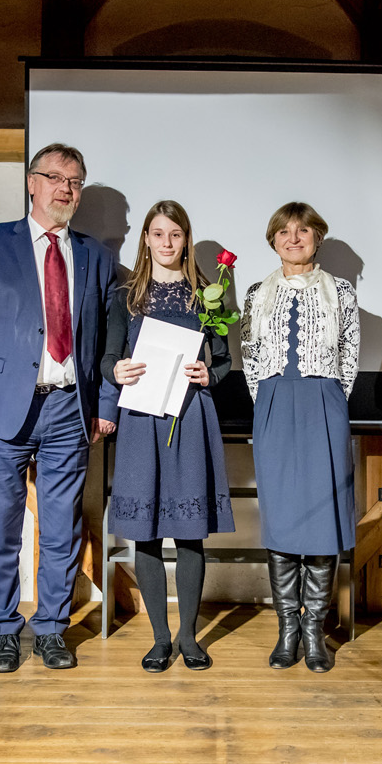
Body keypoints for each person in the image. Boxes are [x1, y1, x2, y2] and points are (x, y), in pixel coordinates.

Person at [0, 143, 118, 673]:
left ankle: (50, 629)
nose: (65, 189)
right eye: (55, 178)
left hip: (71, 409)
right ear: (31, 182)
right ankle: (3, 629)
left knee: (62, 528)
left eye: (75, 181)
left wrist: (105, 403)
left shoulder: (95, 256)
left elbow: (109, 341)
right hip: (2, 411)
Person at [103, 201, 234, 672]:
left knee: (190, 534)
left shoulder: (207, 296)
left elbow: (223, 360)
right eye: (157, 233)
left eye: (175, 234)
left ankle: (189, 638)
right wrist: (116, 370)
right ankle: (160, 639)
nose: (166, 242)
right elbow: (107, 358)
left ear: (186, 239)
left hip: (191, 417)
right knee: (147, 535)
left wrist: (209, 374)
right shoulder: (126, 296)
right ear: (145, 239)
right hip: (142, 419)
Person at [241, 202, 358, 673]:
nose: (293, 238)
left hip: (323, 405)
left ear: (317, 237)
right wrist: (267, 405)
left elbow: (349, 355)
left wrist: (329, 402)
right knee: (283, 521)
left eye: (303, 231)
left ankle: (314, 633)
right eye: (284, 232)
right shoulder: (256, 293)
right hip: (273, 406)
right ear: (273, 240)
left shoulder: (341, 292)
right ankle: (287, 629)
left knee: (323, 520)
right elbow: (250, 356)